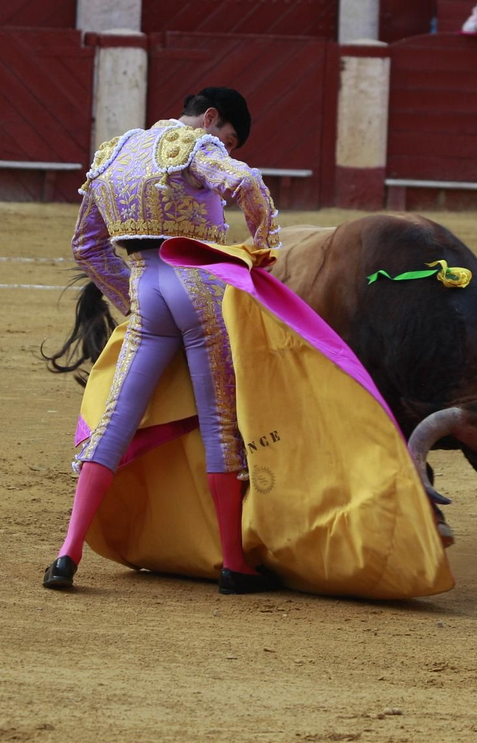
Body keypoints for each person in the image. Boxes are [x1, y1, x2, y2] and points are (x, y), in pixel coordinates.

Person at [47, 89, 279, 594]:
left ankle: (67, 554)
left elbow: (85, 246)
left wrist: (128, 301)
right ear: (211, 118)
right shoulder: (195, 144)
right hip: (199, 285)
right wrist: (261, 252)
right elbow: (247, 186)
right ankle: (233, 564)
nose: (228, 150)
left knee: (114, 420)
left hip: (145, 287)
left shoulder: (113, 152)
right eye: (230, 140)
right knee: (220, 421)